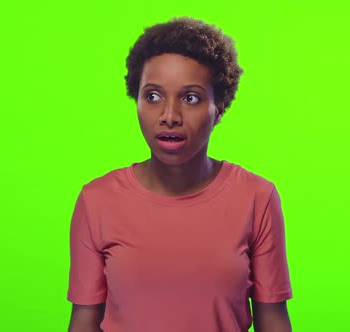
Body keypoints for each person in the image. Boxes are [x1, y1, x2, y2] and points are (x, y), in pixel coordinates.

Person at [67, 16, 292, 332]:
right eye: (153, 96)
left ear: (220, 108)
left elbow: (273, 320)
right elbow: (83, 322)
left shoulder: (257, 198)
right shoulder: (97, 201)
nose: (169, 116)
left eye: (191, 98)